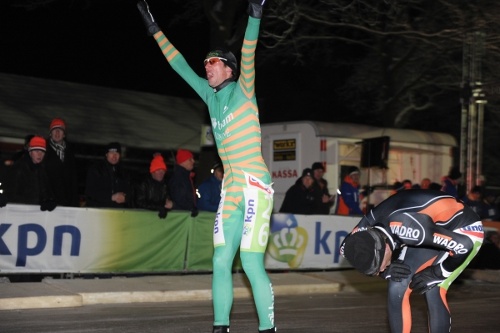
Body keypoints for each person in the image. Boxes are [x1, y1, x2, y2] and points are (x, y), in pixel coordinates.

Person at [136, 1, 276, 331]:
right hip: (231, 188)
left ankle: (268, 328)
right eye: (206, 63)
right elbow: (180, 66)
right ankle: (220, 326)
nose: (207, 67)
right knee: (219, 260)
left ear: (229, 68)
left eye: (213, 62)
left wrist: (255, 15)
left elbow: (249, 52)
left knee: (251, 262)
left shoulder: (244, 90)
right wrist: (154, 30)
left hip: (256, 184)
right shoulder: (209, 96)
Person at [340, 189, 484, 333]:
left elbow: (464, 246)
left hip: (463, 230)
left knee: (433, 287)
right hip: (429, 227)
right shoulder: (362, 231)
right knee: (397, 286)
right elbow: (344, 249)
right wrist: (384, 273)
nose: (379, 272)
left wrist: (439, 272)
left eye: (378, 268)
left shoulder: (409, 231)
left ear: (386, 250)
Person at [2, 136, 57, 211]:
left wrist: (49, 200)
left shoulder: (42, 171)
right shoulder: (18, 168)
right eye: (36, 151)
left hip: (33, 214)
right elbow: (11, 195)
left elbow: (46, 192)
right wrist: (39, 202)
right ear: (30, 152)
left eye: (42, 151)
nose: (40, 154)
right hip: (18, 213)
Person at [44, 118, 79, 207]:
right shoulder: (43, 150)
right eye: (54, 130)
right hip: (48, 203)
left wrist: (74, 203)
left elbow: (73, 181)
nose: (57, 133)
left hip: (66, 203)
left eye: (60, 130)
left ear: (64, 134)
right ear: (50, 133)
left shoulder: (70, 152)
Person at [85, 142, 132, 208]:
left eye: (117, 153)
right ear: (106, 154)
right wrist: (111, 197)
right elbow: (90, 193)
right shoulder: (96, 170)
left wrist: (126, 198)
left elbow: (130, 192)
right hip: (99, 211)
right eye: (111, 153)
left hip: (119, 212)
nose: (114, 156)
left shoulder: (124, 172)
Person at [135, 154, 173, 218]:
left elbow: (168, 201)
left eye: (163, 171)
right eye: (158, 170)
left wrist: (169, 206)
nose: (161, 173)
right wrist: (158, 208)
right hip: (143, 218)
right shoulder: (143, 184)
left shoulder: (166, 185)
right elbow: (139, 202)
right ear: (152, 172)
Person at [168, 149, 198, 215]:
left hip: (184, 214)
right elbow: (180, 199)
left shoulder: (185, 177)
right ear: (183, 162)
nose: (193, 161)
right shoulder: (179, 178)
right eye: (190, 159)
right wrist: (191, 208)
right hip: (181, 215)